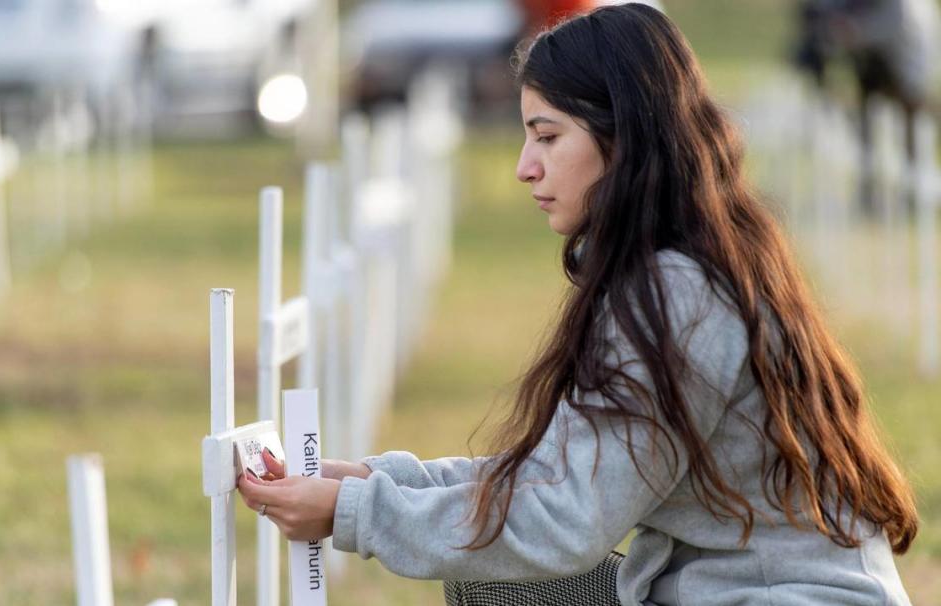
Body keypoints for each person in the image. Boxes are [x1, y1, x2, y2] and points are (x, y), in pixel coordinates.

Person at [238, 4, 918, 604]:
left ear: (621, 140)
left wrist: (353, 511)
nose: (524, 166)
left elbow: (562, 524)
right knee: (492, 579)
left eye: (548, 135)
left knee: (510, 570)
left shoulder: (677, 293)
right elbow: (555, 473)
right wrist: (379, 481)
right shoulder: (682, 264)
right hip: (719, 588)